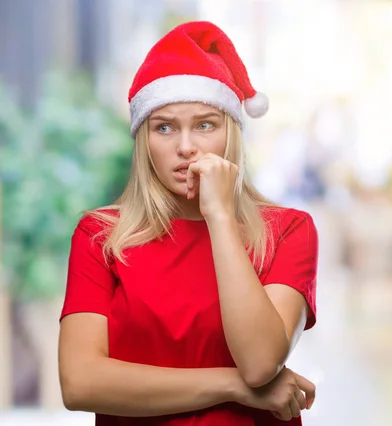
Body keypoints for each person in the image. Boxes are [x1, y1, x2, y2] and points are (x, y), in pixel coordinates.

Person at [58, 21, 319, 426]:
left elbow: (260, 363)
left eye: (204, 125)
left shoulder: (287, 231)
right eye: (164, 127)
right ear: (144, 140)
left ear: (231, 133)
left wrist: (219, 215)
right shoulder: (101, 237)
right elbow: (79, 383)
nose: (185, 147)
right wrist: (232, 386)